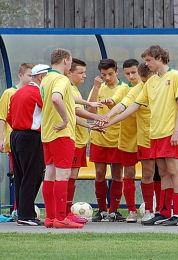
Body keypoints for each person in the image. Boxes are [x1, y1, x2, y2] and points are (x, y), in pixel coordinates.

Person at [101, 45, 178, 226]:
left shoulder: (176, 76)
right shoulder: (150, 82)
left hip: (171, 132)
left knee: (174, 171)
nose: (146, 64)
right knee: (163, 172)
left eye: (148, 60)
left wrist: (176, 130)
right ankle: (164, 212)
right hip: (154, 133)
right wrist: (110, 120)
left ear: (158, 58)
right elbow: (133, 106)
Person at [41, 48, 84, 229]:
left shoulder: (46, 79)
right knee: (63, 175)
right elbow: (57, 99)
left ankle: (50, 217)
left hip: (47, 133)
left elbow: (61, 98)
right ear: (66, 61)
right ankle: (60, 218)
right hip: (62, 133)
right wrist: (66, 119)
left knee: (50, 174)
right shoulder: (61, 79)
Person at [6, 64, 50, 226]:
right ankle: (26, 214)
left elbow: (9, 116)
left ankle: (23, 212)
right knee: (33, 174)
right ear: (41, 78)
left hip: (16, 135)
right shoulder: (38, 92)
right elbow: (50, 112)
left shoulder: (18, 92)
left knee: (21, 175)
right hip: (31, 136)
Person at [65, 58, 105, 224]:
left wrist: (90, 126)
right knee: (66, 176)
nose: (84, 76)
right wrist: (96, 117)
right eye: (80, 72)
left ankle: (66, 212)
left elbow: (73, 116)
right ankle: (63, 212)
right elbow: (75, 113)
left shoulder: (74, 89)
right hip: (71, 141)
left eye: (84, 72)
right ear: (69, 73)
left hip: (80, 141)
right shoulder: (68, 89)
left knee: (72, 176)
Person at [100, 59, 140, 223]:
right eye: (128, 73)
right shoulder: (125, 89)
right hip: (127, 137)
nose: (131, 76)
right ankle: (131, 210)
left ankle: (168, 210)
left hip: (148, 136)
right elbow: (120, 102)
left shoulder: (149, 85)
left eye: (134, 72)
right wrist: (108, 114)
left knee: (156, 173)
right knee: (128, 173)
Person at [88, 59, 127, 222]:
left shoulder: (124, 88)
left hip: (117, 137)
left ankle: (114, 210)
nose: (107, 77)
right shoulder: (99, 87)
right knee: (99, 173)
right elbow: (90, 109)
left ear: (116, 72)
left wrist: (111, 103)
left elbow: (120, 102)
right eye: (104, 75)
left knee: (118, 173)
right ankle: (102, 209)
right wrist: (96, 87)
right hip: (99, 136)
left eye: (110, 74)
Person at [0, 63, 34, 173]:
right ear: (20, 75)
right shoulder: (9, 93)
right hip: (13, 138)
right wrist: (1, 139)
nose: (32, 78)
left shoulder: (35, 93)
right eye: (29, 75)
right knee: (17, 171)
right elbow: (2, 116)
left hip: (30, 138)